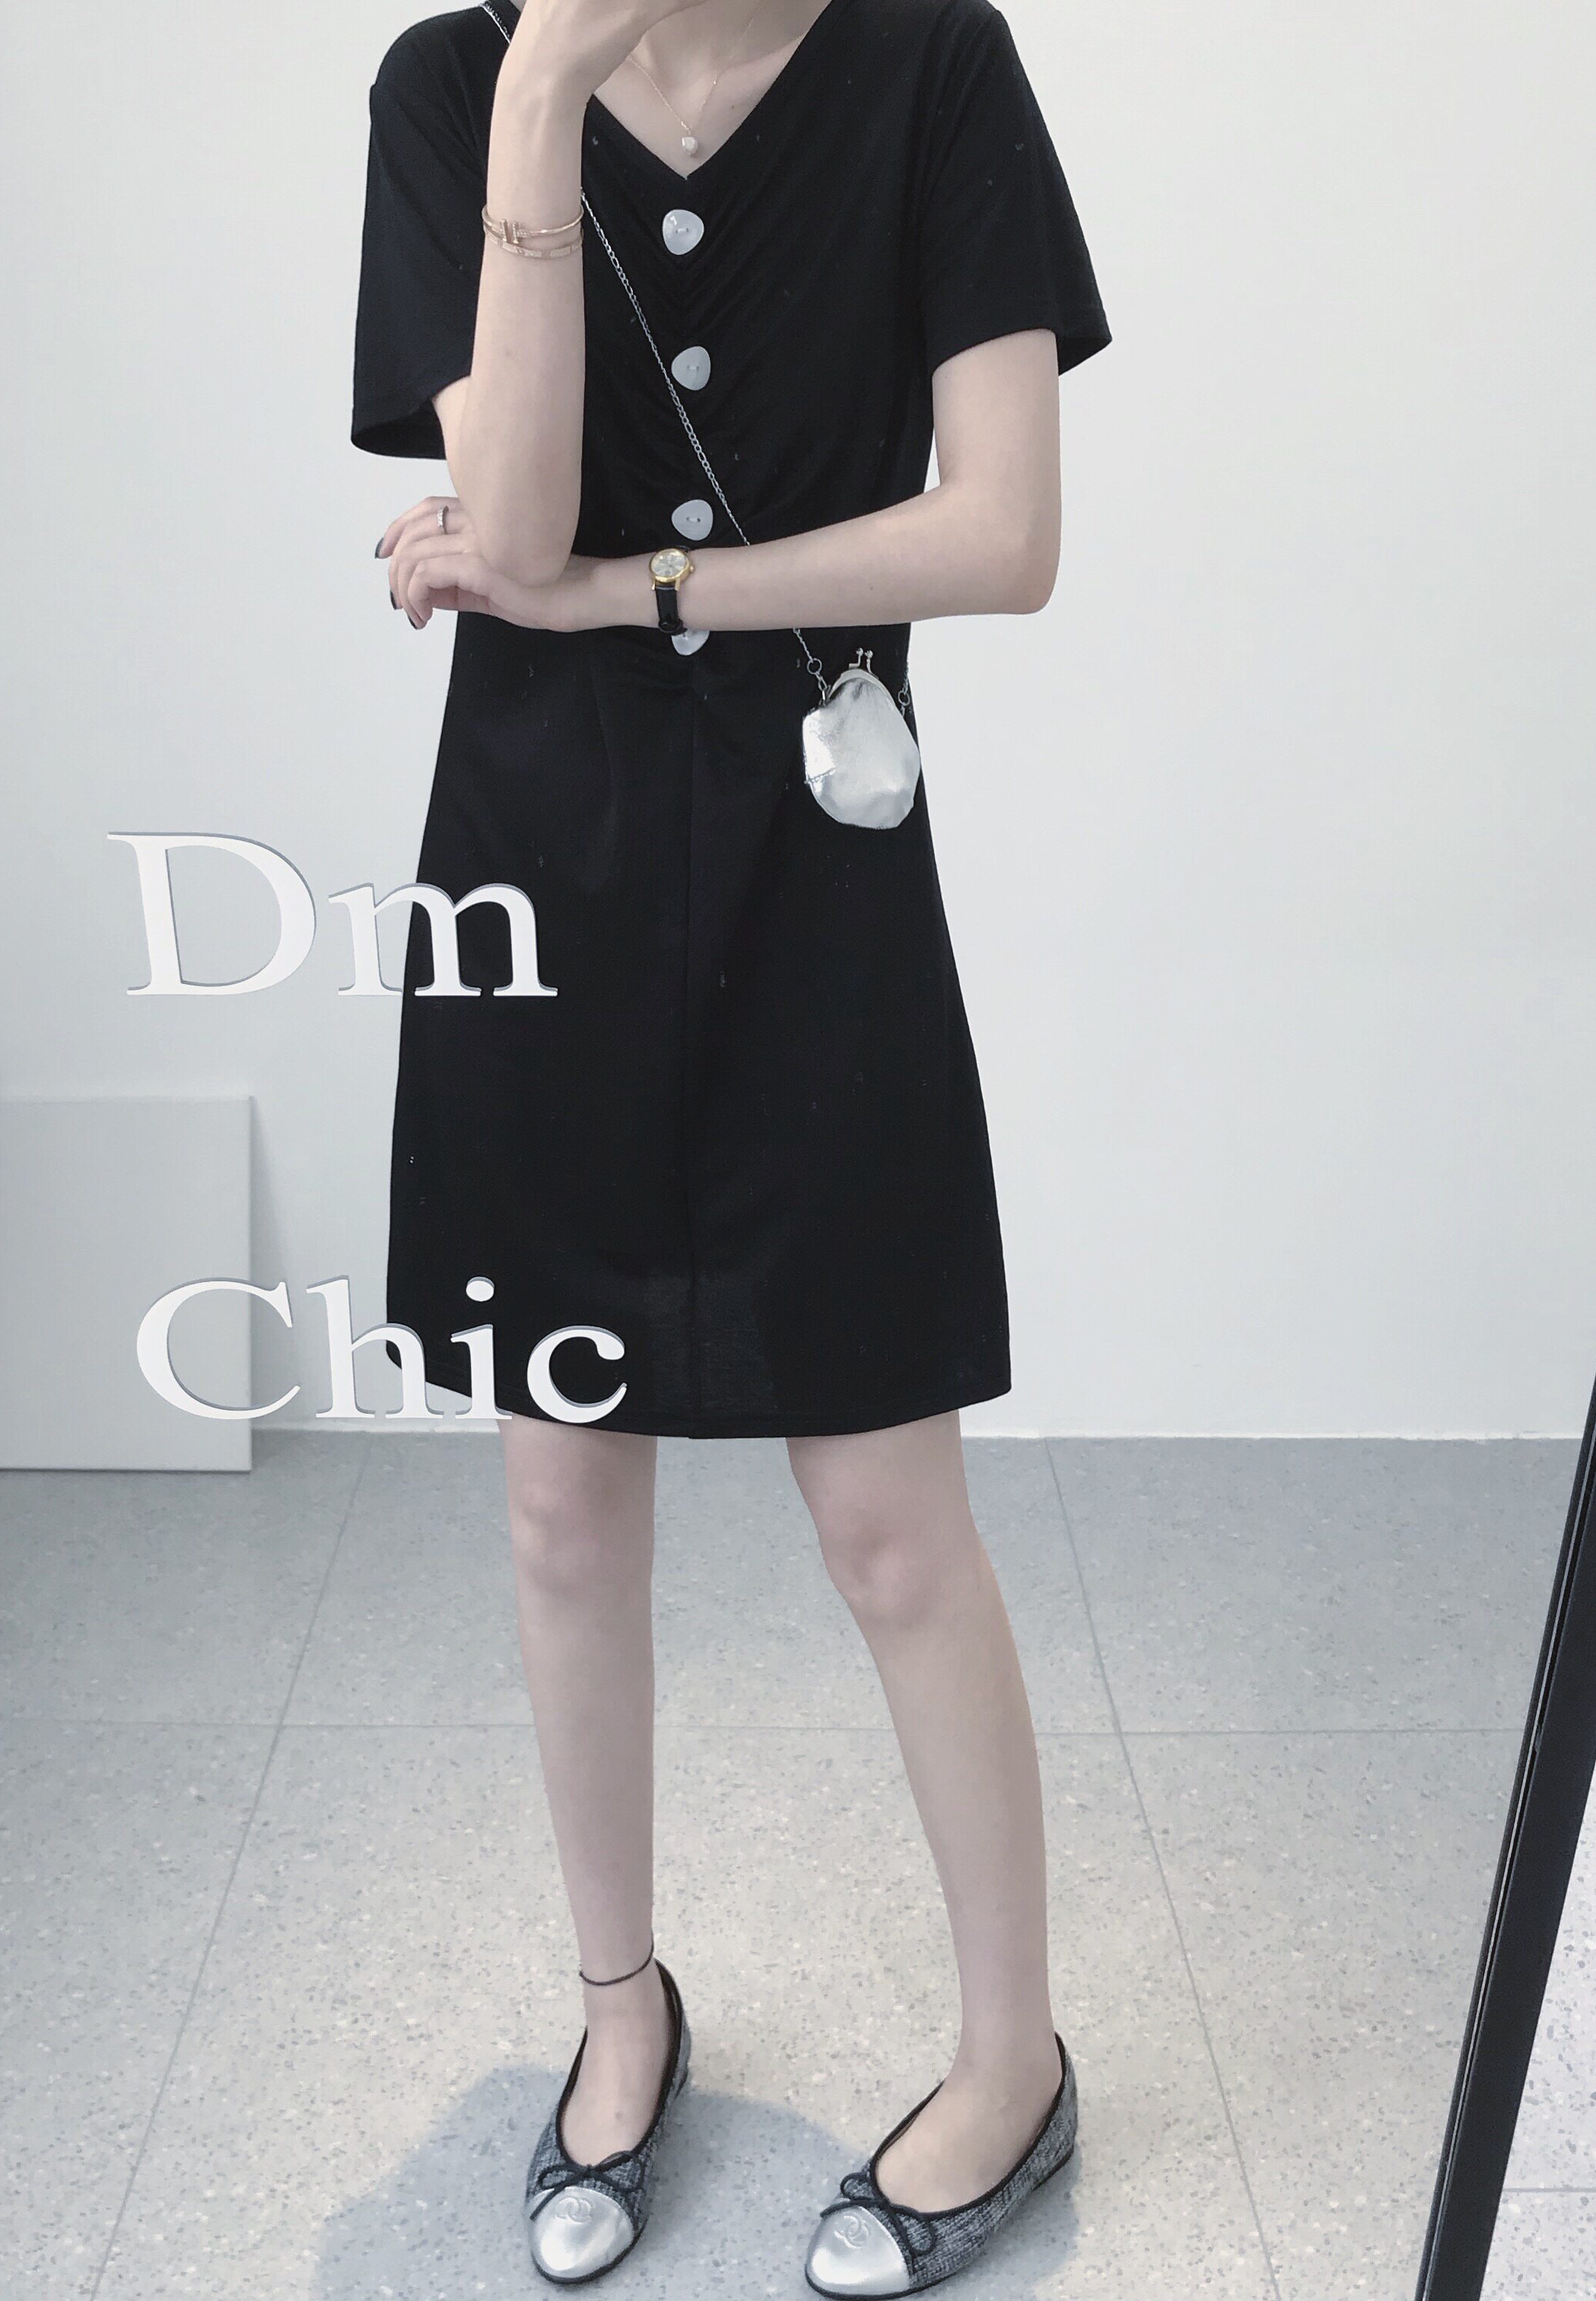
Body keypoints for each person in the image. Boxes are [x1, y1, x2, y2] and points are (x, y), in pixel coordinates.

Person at [351, 0, 1109, 2287]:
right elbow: (514, 519)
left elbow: (1004, 535)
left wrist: (640, 593)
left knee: (889, 1521)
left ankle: (1012, 2061)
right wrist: (540, 94)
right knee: (561, 1504)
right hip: (542, 871)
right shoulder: (455, 84)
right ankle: (621, 2014)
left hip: (815, 867)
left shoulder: (930, 61)